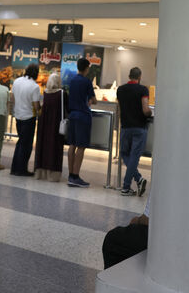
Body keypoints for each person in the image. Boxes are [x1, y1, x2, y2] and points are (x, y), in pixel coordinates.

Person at [116, 67, 152, 196]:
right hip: (139, 127)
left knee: (125, 153)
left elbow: (120, 108)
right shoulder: (143, 90)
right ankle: (126, 187)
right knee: (134, 157)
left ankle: (139, 179)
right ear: (139, 76)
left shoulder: (120, 90)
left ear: (129, 76)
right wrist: (151, 112)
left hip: (125, 126)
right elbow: (145, 109)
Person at [67, 58, 97, 187]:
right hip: (83, 116)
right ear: (87, 68)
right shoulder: (87, 82)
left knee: (72, 145)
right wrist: (90, 101)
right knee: (81, 146)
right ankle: (75, 176)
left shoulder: (72, 80)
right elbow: (94, 100)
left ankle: (70, 175)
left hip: (72, 115)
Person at [34, 73, 68, 182]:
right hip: (56, 125)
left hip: (44, 125)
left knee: (43, 147)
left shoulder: (45, 93)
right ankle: (53, 174)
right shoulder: (62, 93)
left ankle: (41, 172)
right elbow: (67, 108)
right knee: (55, 147)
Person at [102, 193, 150, 269]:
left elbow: (148, 221)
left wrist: (137, 220)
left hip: (157, 241)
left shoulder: (161, 183)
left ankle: (114, 279)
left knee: (112, 238)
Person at [10, 64, 41, 176]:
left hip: (18, 116)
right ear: (36, 73)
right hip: (29, 118)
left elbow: (12, 98)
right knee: (26, 145)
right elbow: (36, 106)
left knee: (20, 142)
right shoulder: (34, 86)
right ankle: (21, 169)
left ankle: (14, 168)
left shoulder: (17, 81)